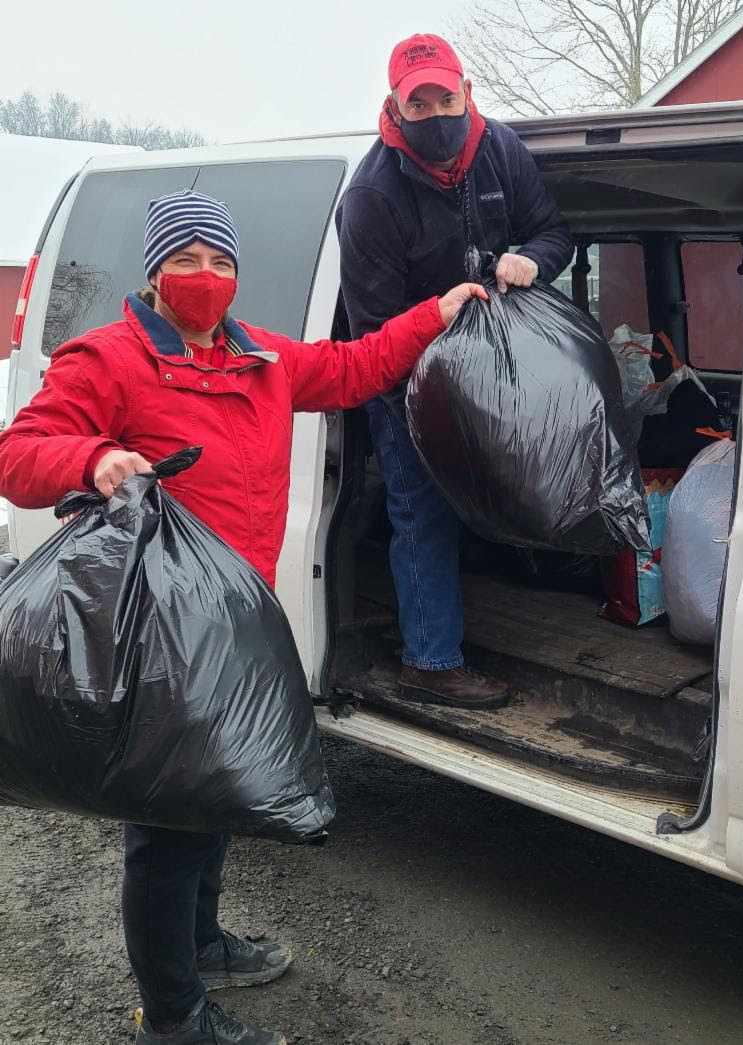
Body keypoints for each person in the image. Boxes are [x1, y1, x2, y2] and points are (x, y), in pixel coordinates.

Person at [0, 190, 485, 1045]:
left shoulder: (260, 357)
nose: (205, 277)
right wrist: (96, 457)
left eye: (220, 262)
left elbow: (357, 366)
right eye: (185, 260)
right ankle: (173, 1015)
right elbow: (18, 455)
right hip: (157, 628)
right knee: (167, 825)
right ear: (155, 272)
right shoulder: (108, 360)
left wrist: (435, 313)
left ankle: (205, 944)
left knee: (215, 794)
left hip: (237, 617)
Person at [337, 33, 573, 710]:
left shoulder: (499, 148)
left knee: (520, 476)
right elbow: (373, 337)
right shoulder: (372, 196)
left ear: (467, 92)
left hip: (499, 365)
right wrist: (436, 395)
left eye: (446, 95)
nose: (437, 113)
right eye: (420, 103)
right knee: (422, 507)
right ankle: (431, 659)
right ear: (396, 108)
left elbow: (554, 231)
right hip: (409, 378)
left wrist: (533, 259)